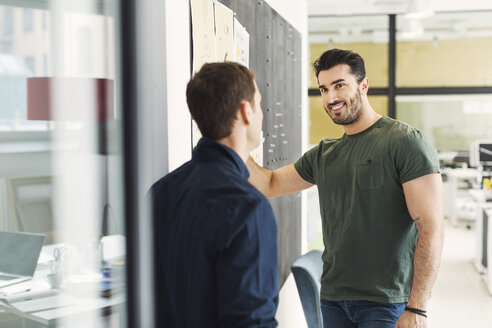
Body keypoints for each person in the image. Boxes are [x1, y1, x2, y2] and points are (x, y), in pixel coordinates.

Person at [247, 49, 444, 328]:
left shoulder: (405, 142)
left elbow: (431, 227)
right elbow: (268, 184)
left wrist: (418, 308)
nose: (331, 98)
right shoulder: (324, 154)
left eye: (340, 85)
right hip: (333, 300)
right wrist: (232, 139)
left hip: (386, 303)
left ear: (363, 85)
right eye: (324, 89)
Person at [151, 62, 278, 327]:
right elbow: (252, 322)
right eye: (259, 104)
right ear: (245, 112)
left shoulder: (160, 192)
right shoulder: (248, 207)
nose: (262, 114)